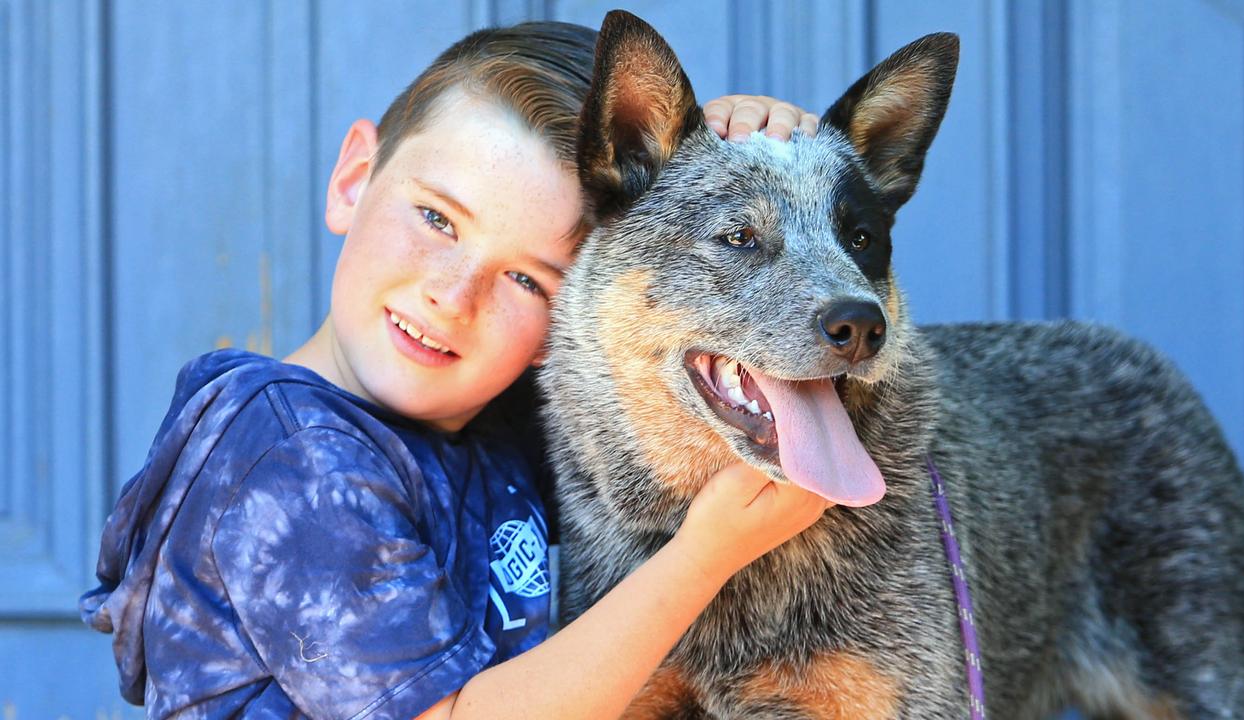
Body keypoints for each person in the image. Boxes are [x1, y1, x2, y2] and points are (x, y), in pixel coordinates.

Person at [82, 20, 828, 720]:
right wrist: (704, 558)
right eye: (437, 219)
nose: (453, 294)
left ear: (574, 318)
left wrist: (728, 166)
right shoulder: (291, 454)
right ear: (353, 180)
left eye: (527, 281)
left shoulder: (483, 422)